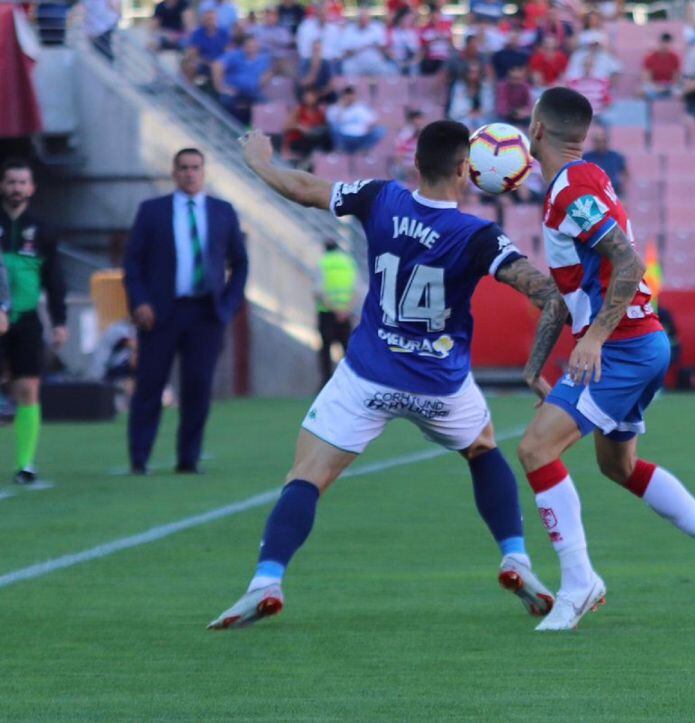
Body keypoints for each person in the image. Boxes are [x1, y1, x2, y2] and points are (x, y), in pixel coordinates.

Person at [208, 121, 565, 629]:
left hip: (368, 375)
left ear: (415, 164)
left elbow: (306, 188)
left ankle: (265, 581)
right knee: (482, 448)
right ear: (467, 170)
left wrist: (259, 162)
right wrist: (537, 363)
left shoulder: (380, 198)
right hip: (439, 383)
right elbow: (542, 292)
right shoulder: (480, 236)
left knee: (308, 475)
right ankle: (516, 559)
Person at [517, 87, 695, 632]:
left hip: (622, 346)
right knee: (616, 465)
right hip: (636, 342)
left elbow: (626, 263)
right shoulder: (583, 180)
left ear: (535, 130)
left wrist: (596, 337)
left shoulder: (573, 188)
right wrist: (537, 362)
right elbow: (567, 292)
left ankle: (579, 584)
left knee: (535, 449)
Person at [123, 149, 249, 475]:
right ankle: (139, 458)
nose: (190, 174)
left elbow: (241, 262)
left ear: (204, 172)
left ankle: (188, 459)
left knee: (198, 387)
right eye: (183, 168)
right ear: (174, 172)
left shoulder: (223, 212)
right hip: (161, 313)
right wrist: (140, 302)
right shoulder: (152, 211)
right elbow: (132, 263)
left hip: (205, 313)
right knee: (149, 386)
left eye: (195, 168)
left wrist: (229, 303)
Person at [0, 160, 66, 485]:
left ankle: (25, 463)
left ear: (32, 188)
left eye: (22, 182)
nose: (16, 188)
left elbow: (55, 279)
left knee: (28, 388)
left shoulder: (42, 230)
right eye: (11, 182)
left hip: (26, 319)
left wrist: (60, 321)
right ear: (2, 185)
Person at [315, 241, 358, 385]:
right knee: (347, 349)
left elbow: (318, 292)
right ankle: (349, 382)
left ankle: (326, 383)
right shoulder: (348, 263)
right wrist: (345, 311)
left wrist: (335, 310)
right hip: (345, 314)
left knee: (326, 350)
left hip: (327, 313)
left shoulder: (324, 263)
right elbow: (355, 290)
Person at [212, 35, 272, 124]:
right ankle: (228, 126)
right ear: (244, 47)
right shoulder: (235, 55)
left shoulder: (263, 59)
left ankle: (255, 132)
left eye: (254, 46)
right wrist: (220, 87)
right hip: (234, 90)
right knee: (226, 101)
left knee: (265, 105)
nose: (251, 49)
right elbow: (217, 65)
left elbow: (269, 72)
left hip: (252, 92)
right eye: (249, 46)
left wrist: (261, 82)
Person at [326, 87, 387, 155]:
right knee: (333, 128)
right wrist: (342, 108)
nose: (349, 98)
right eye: (347, 95)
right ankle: (340, 149)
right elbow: (333, 122)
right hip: (345, 136)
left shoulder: (362, 107)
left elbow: (373, 120)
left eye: (351, 95)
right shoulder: (336, 108)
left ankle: (364, 149)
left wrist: (370, 127)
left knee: (380, 129)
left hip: (362, 136)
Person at [582, 126, 627, 195]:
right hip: (593, 192)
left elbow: (625, 173)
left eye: (603, 141)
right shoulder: (586, 157)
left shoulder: (616, 157)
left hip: (613, 191)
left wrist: (622, 187)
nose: (600, 144)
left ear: (607, 141)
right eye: (597, 141)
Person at [642, 31, 681, 99]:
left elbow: (676, 78)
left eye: (667, 43)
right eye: (663, 42)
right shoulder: (650, 57)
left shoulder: (675, 57)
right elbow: (646, 78)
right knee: (641, 92)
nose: (665, 45)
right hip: (654, 85)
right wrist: (658, 87)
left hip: (669, 86)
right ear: (659, 43)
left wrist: (667, 87)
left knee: (680, 93)